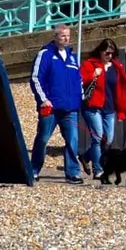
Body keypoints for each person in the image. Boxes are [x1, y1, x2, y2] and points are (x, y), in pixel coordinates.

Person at [30, 23, 84, 183]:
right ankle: (33, 169)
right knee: (43, 138)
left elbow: (78, 80)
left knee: (72, 140)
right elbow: (35, 78)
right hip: (51, 107)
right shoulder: (45, 54)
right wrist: (43, 99)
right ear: (55, 37)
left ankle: (72, 172)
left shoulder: (73, 57)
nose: (66, 38)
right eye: (63, 36)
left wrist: (80, 98)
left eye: (68, 36)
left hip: (70, 108)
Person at [78, 39, 126, 180]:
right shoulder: (89, 64)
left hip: (109, 108)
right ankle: (98, 170)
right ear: (100, 51)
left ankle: (85, 157)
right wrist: (93, 75)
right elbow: (78, 80)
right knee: (97, 137)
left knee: (108, 139)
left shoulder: (116, 67)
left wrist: (123, 107)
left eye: (112, 53)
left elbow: (122, 88)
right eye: (107, 52)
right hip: (93, 106)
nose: (109, 55)